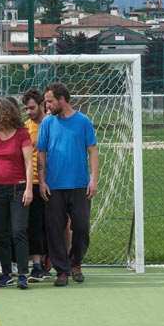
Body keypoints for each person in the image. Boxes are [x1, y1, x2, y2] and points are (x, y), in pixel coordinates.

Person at [37, 82, 99, 286]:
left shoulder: (83, 121)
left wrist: (94, 179)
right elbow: (41, 153)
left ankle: (76, 263)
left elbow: (92, 151)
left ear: (62, 100)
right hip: (53, 187)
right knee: (55, 230)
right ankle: (61, 270)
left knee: (81, 227)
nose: (47, 106)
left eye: (50, 101)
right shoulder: (47, 123)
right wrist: (42, 181)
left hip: (80, 185)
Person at [0, 98, 33, 289]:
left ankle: (23, 273)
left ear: (3, 115)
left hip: (18, 189)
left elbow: (29, 163)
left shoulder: (22, 134)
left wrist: (29, 188)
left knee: (18, 230)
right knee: (1, 233)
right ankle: (6, 273)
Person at [22, 88, 49, 282]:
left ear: (42, 105)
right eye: (26, 109)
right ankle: (37, 265)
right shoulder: (25, 128)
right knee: (35, 224)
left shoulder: (51, 124)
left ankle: (52, 262)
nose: (29, 112)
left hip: (54, 181)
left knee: (56, 226)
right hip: (33, 182)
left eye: (32, 108)